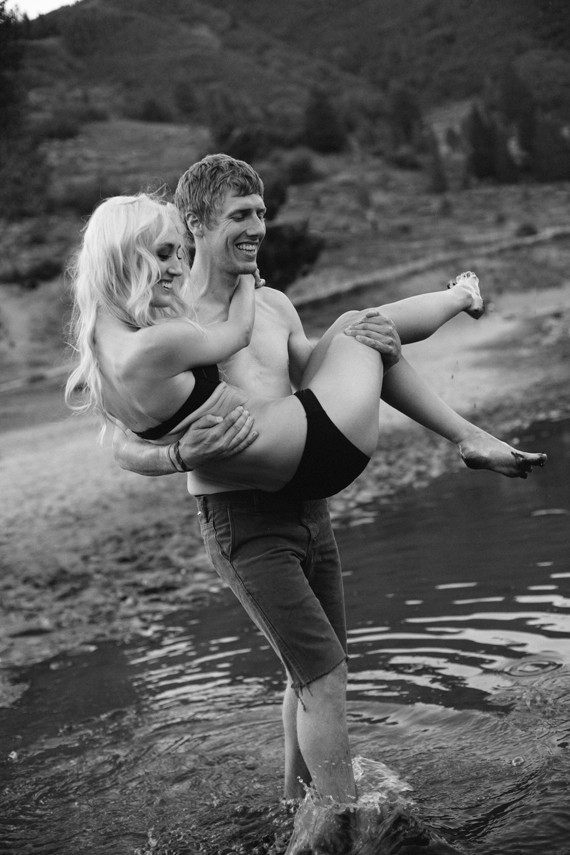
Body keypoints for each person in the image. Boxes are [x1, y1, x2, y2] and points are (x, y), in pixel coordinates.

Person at [67, 155, 546, 817]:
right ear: (194, 225)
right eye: (240, 215)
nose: (258, 227)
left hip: (307, 498)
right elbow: (119, 440)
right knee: (323, 677)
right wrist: (176, 455)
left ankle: (297, 811)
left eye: (261, 213)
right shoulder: (161, 315)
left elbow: (321, 373)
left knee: (314, 674)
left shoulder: (271, 304)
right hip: (243, 513)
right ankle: (343, 823)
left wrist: (390, 361)